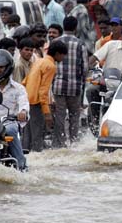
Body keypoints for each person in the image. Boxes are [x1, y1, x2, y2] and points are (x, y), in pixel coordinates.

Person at [23, 40, 68, 152]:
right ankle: (37, 161)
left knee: (27, 136)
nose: (63, 58)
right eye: (63, 55)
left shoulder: (39, 61)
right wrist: (47, 113)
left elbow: (25, 81)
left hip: (27, 100)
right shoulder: (50, 66)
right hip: (36, 103)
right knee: (37, 137)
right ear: (58, 54)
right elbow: (43, 92)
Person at [52, 17, 88, 148]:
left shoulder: (55, 42)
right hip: (75, 87)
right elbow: (84, 68)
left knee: (60, 115)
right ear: (75, 27)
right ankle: (73, 142)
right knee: (74, 115)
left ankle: (60, 143)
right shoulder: (80, 44)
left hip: (58, 86)